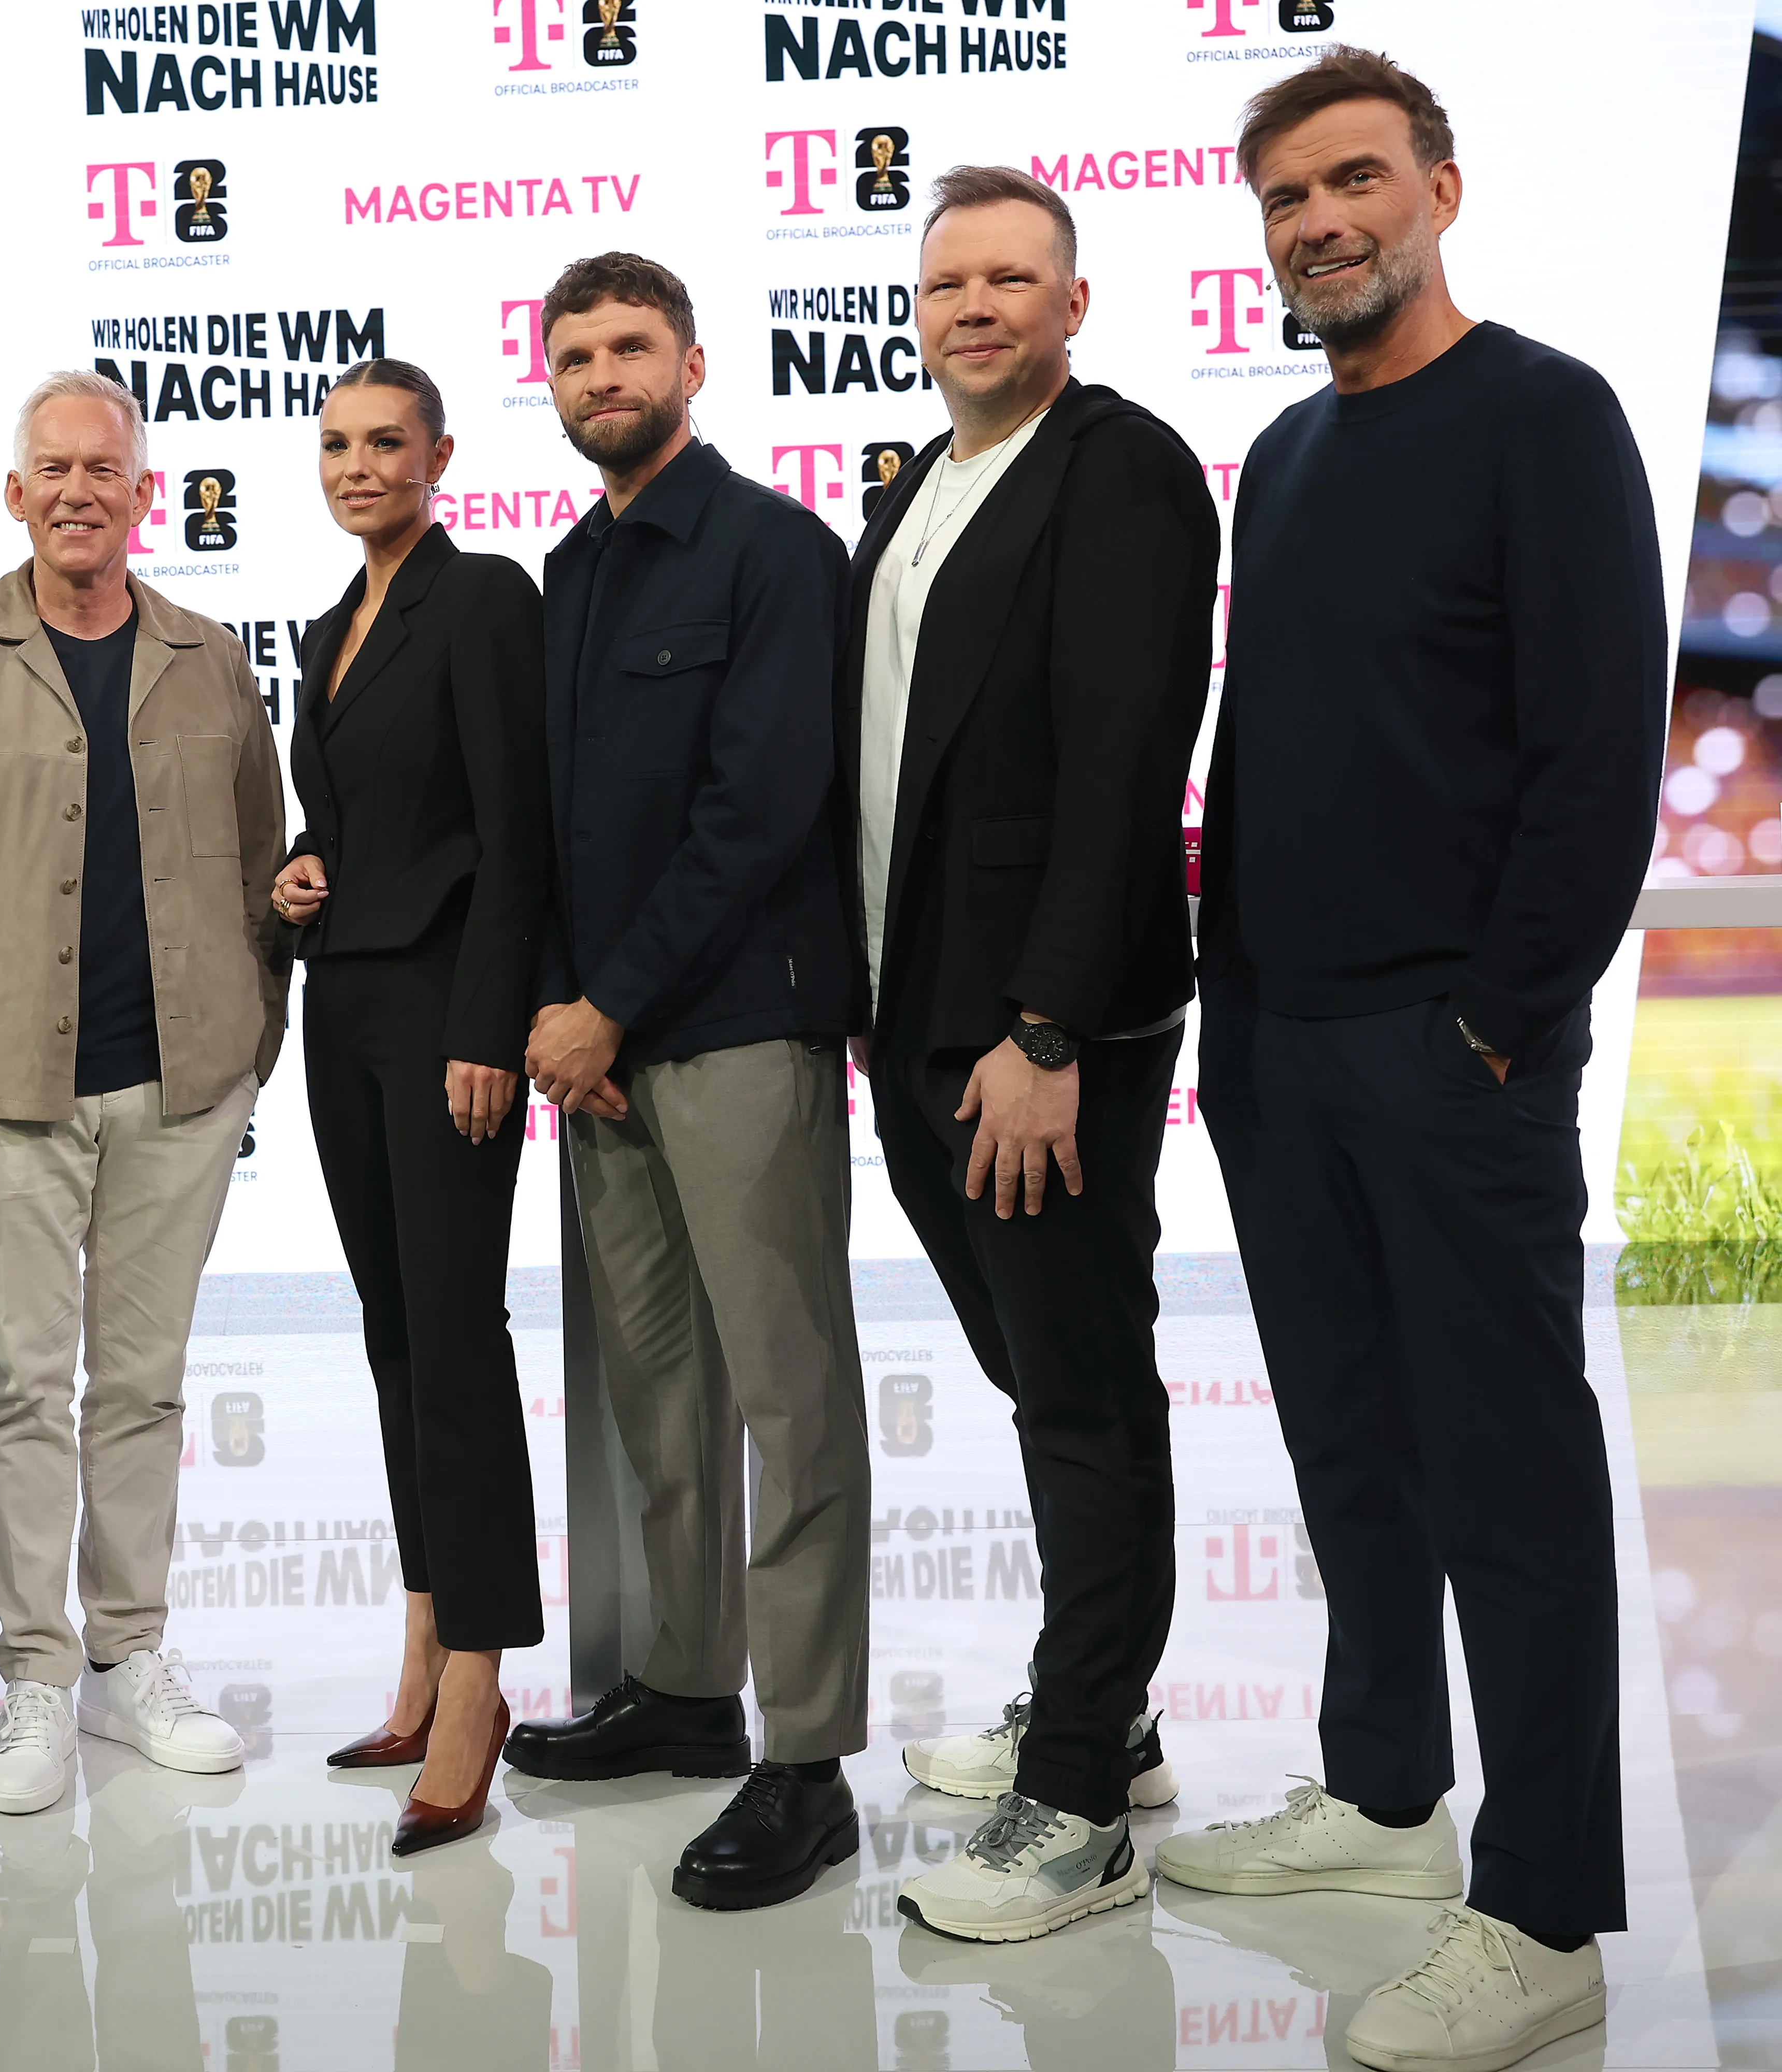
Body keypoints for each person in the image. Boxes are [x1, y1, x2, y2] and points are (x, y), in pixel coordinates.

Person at [1174, 50, 1662, 2072]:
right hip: (1279, 1052)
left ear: (1440, 188)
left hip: (1448, 1055)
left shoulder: (1545, 419)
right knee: (1350, 1445)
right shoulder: (1286, 457)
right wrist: (1231, 1024)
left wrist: (1497, 1021)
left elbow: (1595, 761)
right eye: (1287, 198)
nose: (1320, 223)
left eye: (1354, 180)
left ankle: (1545, 1911)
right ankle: (1386, 1793)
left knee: (1509, 1479)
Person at [838, 167, 1219, 1942]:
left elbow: (1127, 762)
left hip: (1033, 1033)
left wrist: (1048, 1029)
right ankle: (1110, 1709)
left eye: (1011, 280)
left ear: (1075, 304)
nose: (974, 307)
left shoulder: (1119, 467)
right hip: (913, 1020)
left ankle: (1078, 1800)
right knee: (1030, 1369)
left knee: (1077, 1383)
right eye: (946, 284)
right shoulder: (916, 487)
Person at [0, 370, 289, 1817]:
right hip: (2, 1092)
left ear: (142, 492)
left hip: (179, 1092)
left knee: (145, 1386)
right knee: (25, 1389)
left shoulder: (209, 657)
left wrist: (244, 1053)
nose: (81, 491)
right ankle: (39, 1676)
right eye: (55, 469)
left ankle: (132, 1655)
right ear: (15, 493)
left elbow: (258, 860)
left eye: (106, 469)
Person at [505, 252, 870, 1912]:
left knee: (787, 1400)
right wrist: (556, 1016)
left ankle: (807, 1762)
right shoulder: (570, 579)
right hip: (604, 1066)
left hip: (735, 1033)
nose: (601, 374)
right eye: (573, 355)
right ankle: (685, 1688)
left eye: (628, 346)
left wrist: (609, 1004)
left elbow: (765, 807)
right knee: (657, 1393)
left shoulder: (772, 551)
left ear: (693, 364)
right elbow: (553, 842)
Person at [271, 361, 549, 1855]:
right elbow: (376, 816)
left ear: (441, 456)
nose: (360, 465)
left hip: (449, 1018)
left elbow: (514, 830)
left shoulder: (486, 598)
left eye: (387, 442)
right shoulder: (329, 630)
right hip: (346, 1006)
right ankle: (424, 1642)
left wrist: (489, 1024)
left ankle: (482, 1678)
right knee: (393, 1341)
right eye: (337, 445)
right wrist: (299, 871)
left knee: (455, 1342)